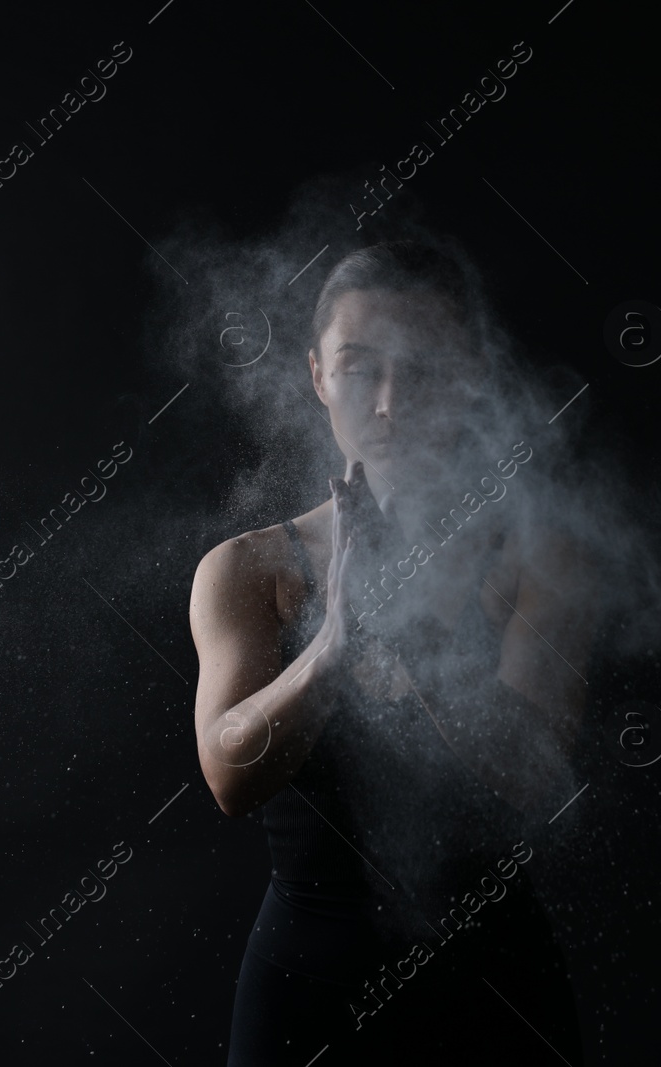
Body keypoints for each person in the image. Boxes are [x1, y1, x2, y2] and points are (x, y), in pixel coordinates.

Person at [189, 241, 592, 1065]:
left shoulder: (539, 557)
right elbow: (229, 774)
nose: (389, 400)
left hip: (494, 984)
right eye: (359, 366)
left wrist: (404, 631)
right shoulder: (249, 567)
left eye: (424, 367)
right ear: (315, 376)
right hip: (307, 984)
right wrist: (333, 647)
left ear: (471, 373)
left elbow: (534, 775)